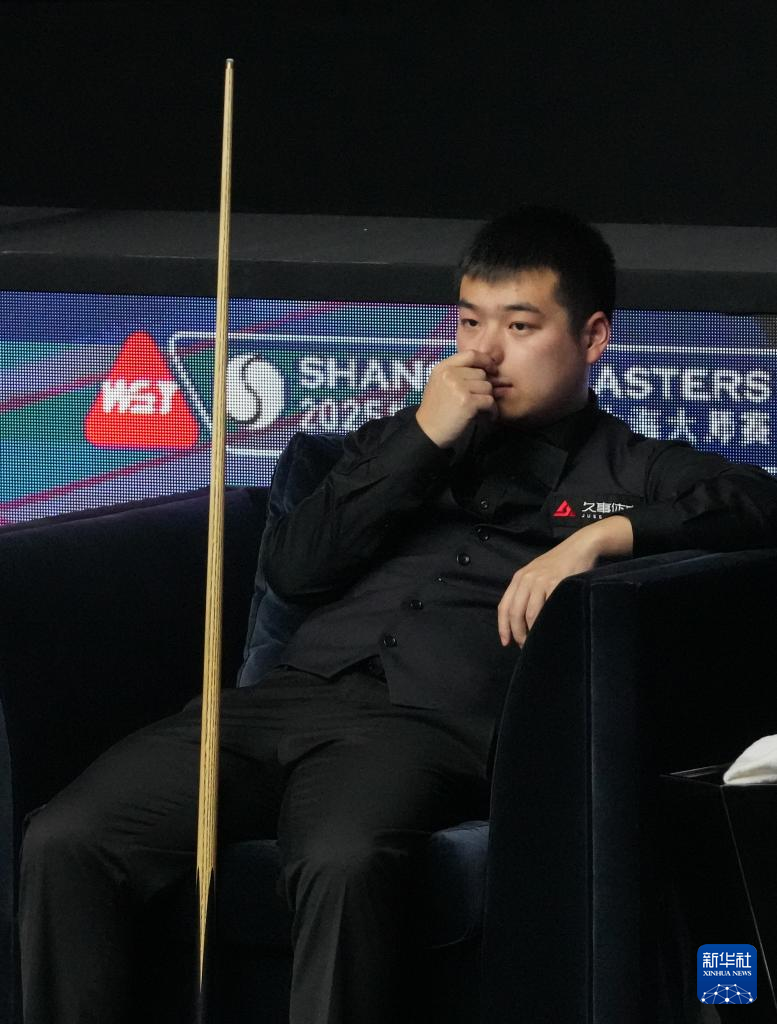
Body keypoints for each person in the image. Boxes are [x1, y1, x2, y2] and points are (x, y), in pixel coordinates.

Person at [18, 207, 777, 1024]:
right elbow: (293, 569)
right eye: (470, 322)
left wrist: (602, 535)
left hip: (429, 724)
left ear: (591, 337)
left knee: (342, 860)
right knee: (68, 837)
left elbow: (756, 503)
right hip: (285, 699)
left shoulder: (633, 468)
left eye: (519, 326)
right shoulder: (393, 443)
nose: (485, 352)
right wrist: (421, 438)